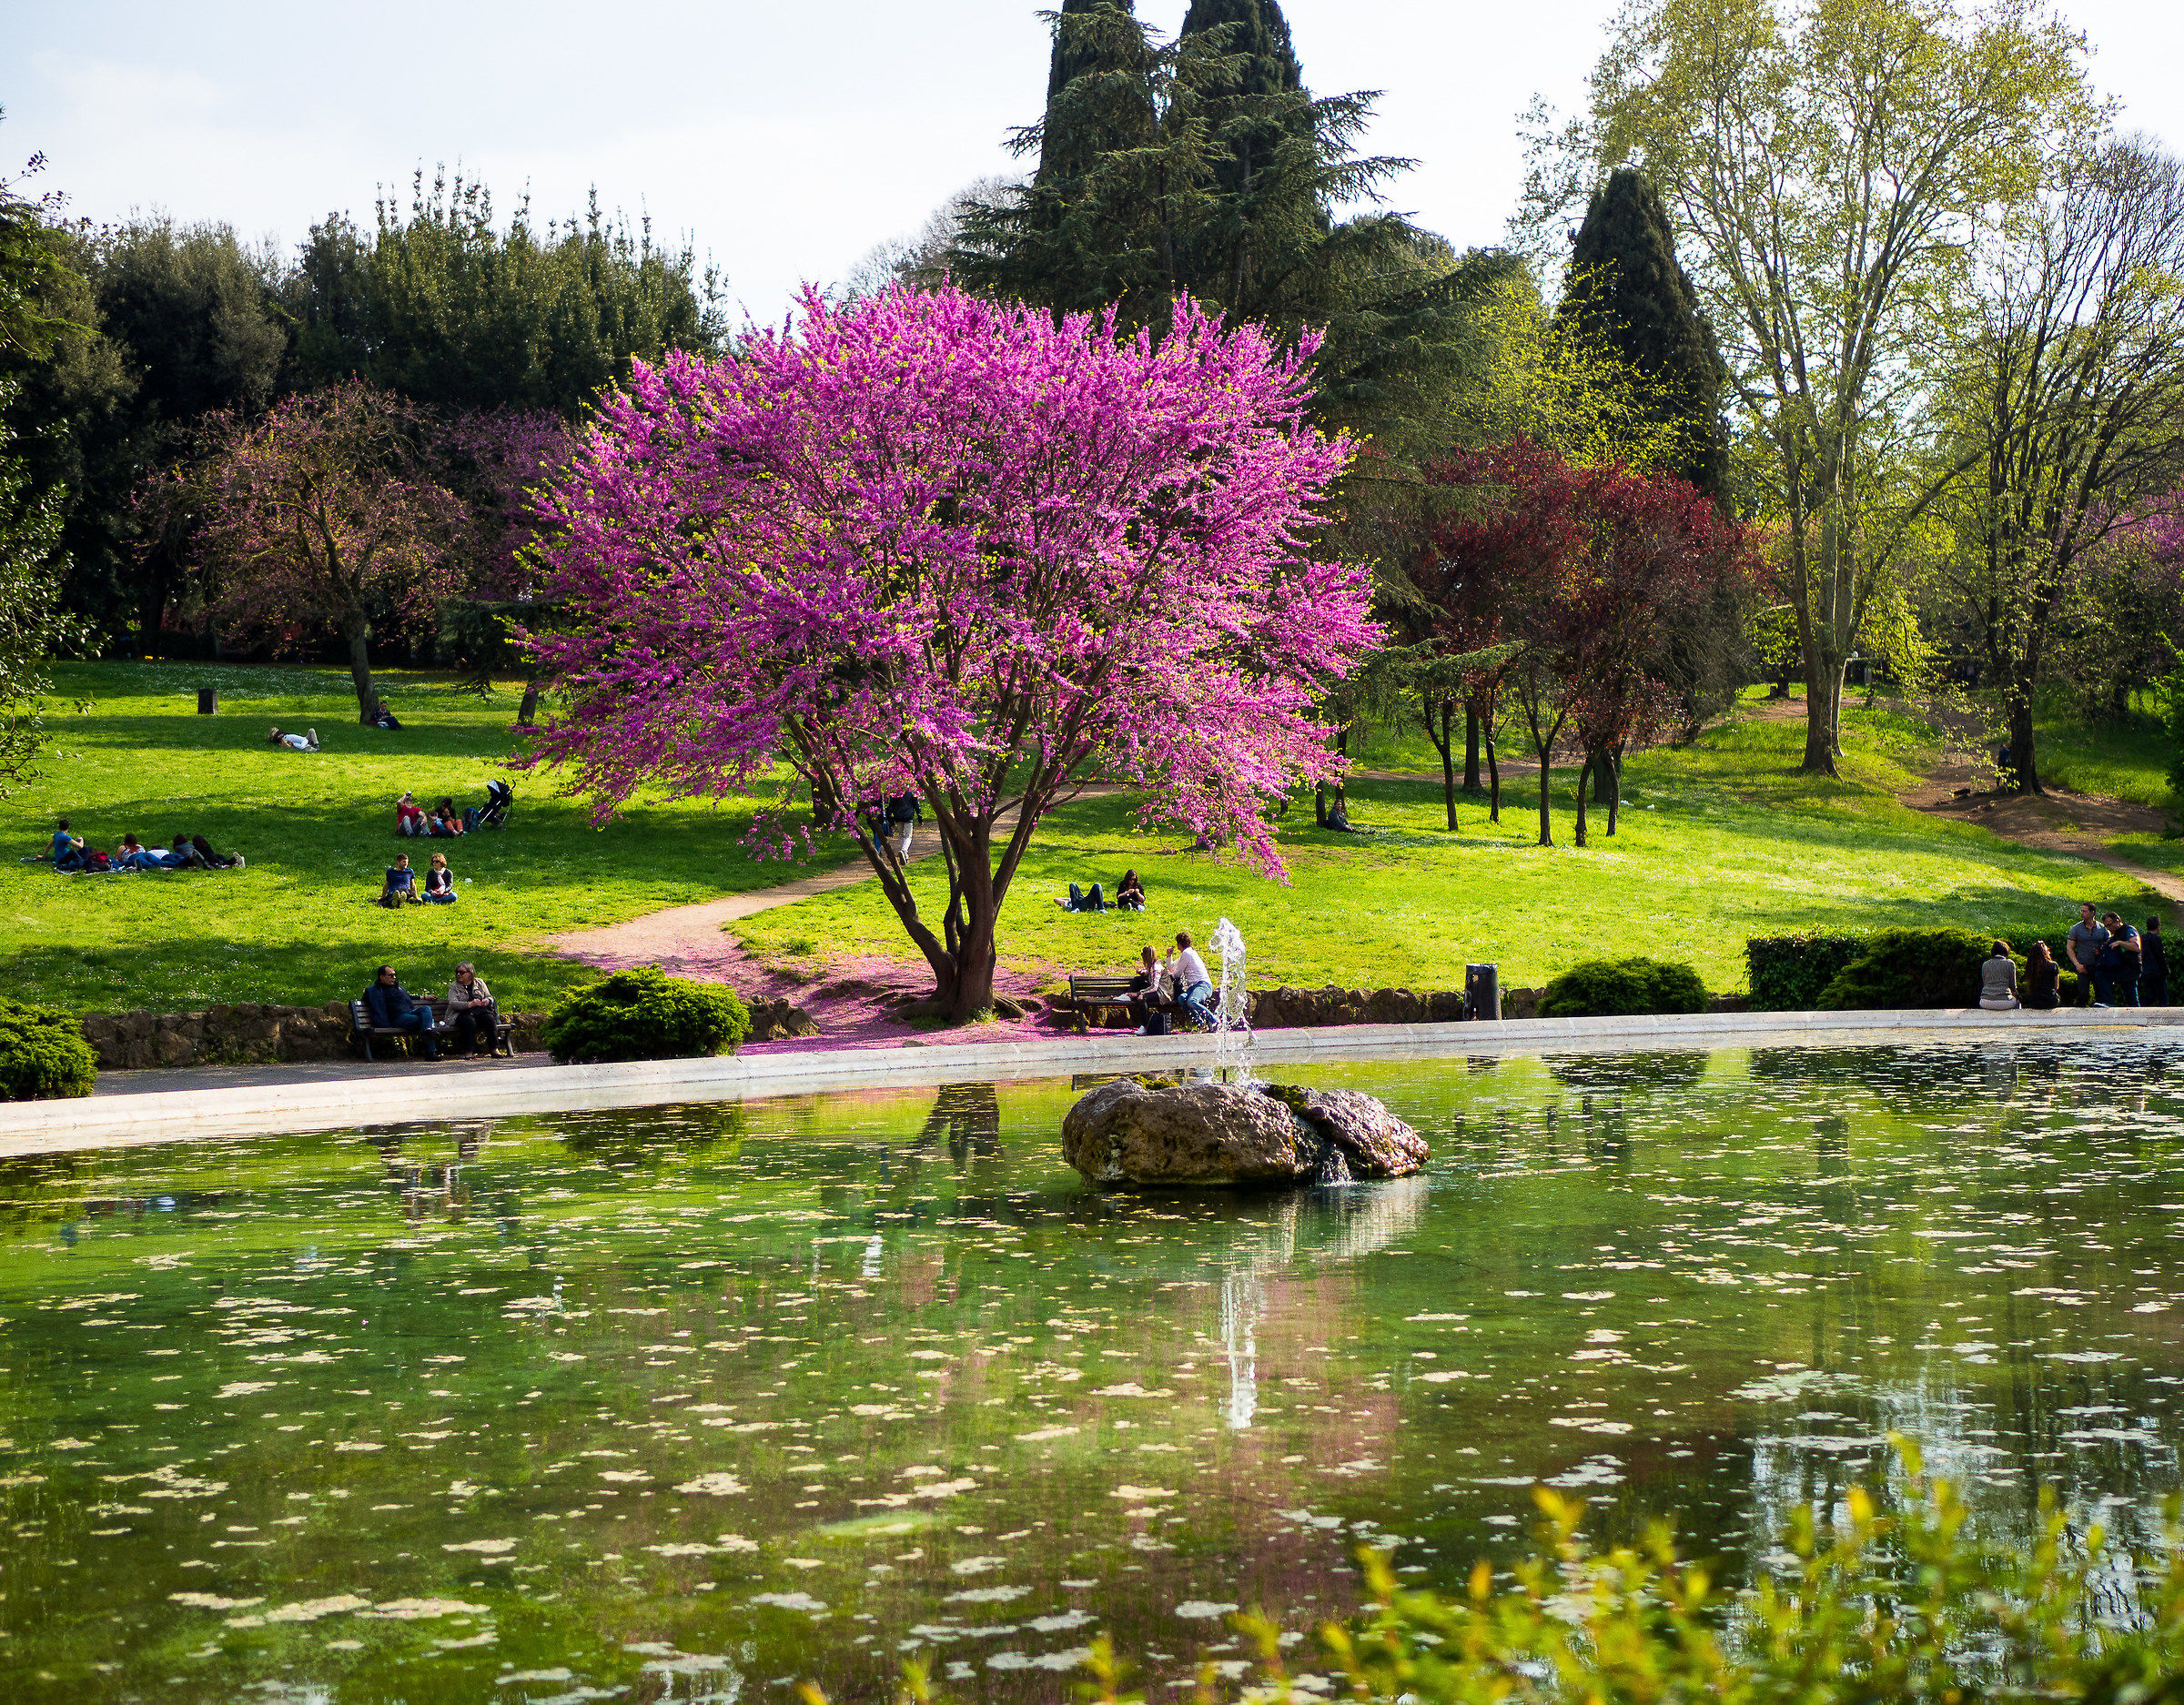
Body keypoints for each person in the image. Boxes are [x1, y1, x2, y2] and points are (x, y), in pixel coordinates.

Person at [364, 964, 438, 1058]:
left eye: (394, 975)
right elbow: (369, 999)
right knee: (426, 1021)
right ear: (381, 977)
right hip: (398, 1018)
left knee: (426, 1009)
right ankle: (431, 1052)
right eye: (390, 975)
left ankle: (427, 1031)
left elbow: (407, 997)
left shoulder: (398, 988)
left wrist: (424, 997)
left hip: (409, 1013)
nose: (394, 978)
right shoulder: (375, 990)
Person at [445, 962, 497, 1054]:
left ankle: (494, 1049)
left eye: (461, 972)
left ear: (470, 973)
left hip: (479, 1012)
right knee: (469, 1022)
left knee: (490, 1019)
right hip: (460, 1014)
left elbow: (489, 996)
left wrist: (487, 1001)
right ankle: (469, 1050)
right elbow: (453, 1003)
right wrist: (469, 1004)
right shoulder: (454, 986)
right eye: (457, 972)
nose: (458, 974)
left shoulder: (479, 982)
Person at [1168, 930, 1215, 1031]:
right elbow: (1172, 966)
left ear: (1179, 944)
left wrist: (1168, 976)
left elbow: (1177, 974)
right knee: (1182, 998)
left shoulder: (1187, 953)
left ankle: (1215, 1021)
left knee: (1192, 1002)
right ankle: (1201, 1024)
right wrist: (1169, 955)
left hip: (1203, 985)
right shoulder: (1188, 953)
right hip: (1194, 987)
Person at [2067, 903, 2108, 1005]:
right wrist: (2077, 965)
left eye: (2084, 911)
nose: (2082, 913)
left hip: (2098, 966)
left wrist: (2102, 950)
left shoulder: (2102, 929)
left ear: (2092, 913)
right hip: (2083, 966)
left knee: (2100, 994)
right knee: (2083, 994)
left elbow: (2109, 944)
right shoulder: (2076, 929)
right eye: (2081, 911)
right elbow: (2069, 948)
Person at [2101, 912, 2142, 1007]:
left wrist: (2120, 943)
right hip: (2122, 967)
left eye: (2109, 925)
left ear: (2118, 921)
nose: (2108, 928)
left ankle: (2137, 1016)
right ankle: (2108, 1002)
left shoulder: (2129, 930)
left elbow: (2136, 947)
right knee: (2101, 974)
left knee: (2131, 995)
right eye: (2106, 926)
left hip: (2132, 967)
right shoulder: (2115, 935)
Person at [1978, 940, 2019, 1012]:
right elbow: (2013, 986)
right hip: (2005, 1002)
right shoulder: (2010, 963)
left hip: (1985, 1002)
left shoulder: (1985, 964)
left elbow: (1985, 983)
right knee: (2017, 1001)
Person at [2024, 940, 2062, 1011]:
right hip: (2051, 1001)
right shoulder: (2053, 965)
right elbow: (2056, 986)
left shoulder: (2030, 967)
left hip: (2035, 1002)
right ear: (2045, 952)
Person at [883, 791, 921, 863]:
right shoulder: (911, 792)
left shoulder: (894, 792)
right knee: (908, 836)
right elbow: (916, 805)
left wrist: (891, 822)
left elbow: (890, 808)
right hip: (908, 817)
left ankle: (905, 857)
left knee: (902, 836)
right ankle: (903, 851)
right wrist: (920, 818)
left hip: (898, 818)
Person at [2145, 916, 2169, 1008]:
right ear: (2158, 927)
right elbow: (2160, 957)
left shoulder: (2142, 938)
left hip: (2145, 971)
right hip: (2157, 971)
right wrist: (2166, 971)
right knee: (2163, 997)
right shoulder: (2156, 939)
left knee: (2150, 996)